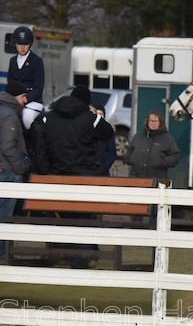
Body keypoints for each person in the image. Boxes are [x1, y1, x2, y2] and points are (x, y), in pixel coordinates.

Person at [36, 85, 114, 175]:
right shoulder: (91, 119)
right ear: (87, 102)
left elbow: (40, 148)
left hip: (57, 173)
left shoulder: (48, 118)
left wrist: (44, 172)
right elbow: (108, 133)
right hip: (87, 175)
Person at [0, 79, 31, 259]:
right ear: (14, 96)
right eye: (23, 96)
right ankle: (2, 254)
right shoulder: (10, 115)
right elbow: (8, 147)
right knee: (5, 216)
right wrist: (20, 167)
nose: (25, 100)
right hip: (8, 171)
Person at [124, 110, 181, 180]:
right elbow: (130, 150)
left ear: (160, 123)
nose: (153, 123)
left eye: (155, 121)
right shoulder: (138, 135)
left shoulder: (167, 138)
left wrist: (162, 162)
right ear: (147, 121)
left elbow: (175, 155)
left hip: (156, 178)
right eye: (151, 121)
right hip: (136, 176)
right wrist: (130, 159)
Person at [7, 26, 45, 104]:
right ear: (15, 44)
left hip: (32, 101)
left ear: (30, 44)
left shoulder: (37, 61)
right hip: (15, 100)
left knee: (28, 114)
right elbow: (10, 82)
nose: (23, 47)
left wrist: (26, 98)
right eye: (20, 44)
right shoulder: (13, 60)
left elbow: (39, 88)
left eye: (25, 44)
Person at [95, 106, 117, 176]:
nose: (99, 116)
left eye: (101, 114)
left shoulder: (108, 132)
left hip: (103, 172)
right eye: (96, 113)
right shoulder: (88, 130)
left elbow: (112, 154)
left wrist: (103, 168)